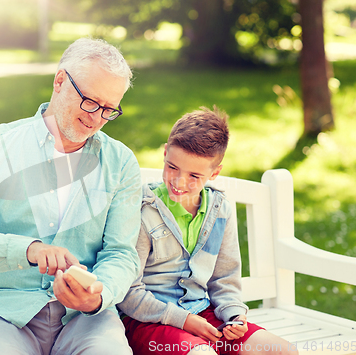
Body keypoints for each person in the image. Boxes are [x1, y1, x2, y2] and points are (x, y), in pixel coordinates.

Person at [0, 38, 142, 355]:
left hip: (85, 321)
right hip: (2, 314)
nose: (96, 118)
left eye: (109, 109)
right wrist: (29, 250)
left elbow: (121, 254)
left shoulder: (121, 162)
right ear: (60, 81)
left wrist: (98, 297)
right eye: (90, 101)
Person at [117, 107, 298, 355]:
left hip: (203, 315)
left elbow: (224, 279)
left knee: (282, 351)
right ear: (165, 153)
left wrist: (234, 315)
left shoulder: (220, 210)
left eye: (194, 175)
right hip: (148, 322)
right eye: (172, 167)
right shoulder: (141, 210)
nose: (179, 182)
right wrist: (183, 321)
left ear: (215, 173)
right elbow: (127, 292)